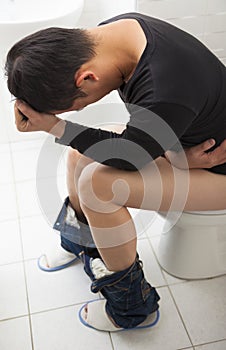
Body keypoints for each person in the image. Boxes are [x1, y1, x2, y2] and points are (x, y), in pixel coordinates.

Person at [5, 12, 226, 331]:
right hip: (185, 141)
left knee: (99, 185)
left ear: (85, 78)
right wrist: (174, 155)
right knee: (78, 154)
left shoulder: (165, 84)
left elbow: (127, 159)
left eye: (75, 104)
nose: (78, 109)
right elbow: (137, 143)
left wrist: (55, 125)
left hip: (218, 168)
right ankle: (82, 243)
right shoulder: (118, 32)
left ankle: (132, 309)